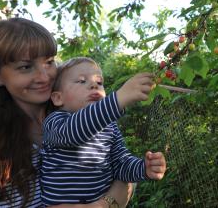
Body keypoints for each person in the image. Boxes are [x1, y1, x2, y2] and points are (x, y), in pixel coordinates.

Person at [0, 18, 139, 207]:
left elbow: (121, 171)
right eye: (25, 67)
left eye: (49, 62)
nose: (45, 76)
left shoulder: (75, 110)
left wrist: (106, 203)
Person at [41, 57, 167, 205]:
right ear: (58, 98)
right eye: (82, 81)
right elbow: (71, 134)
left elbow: (120, 164)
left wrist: (143, 168)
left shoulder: (110, 126)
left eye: (99, 82)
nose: (94, 85)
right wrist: (119, 99)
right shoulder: (55, 121)